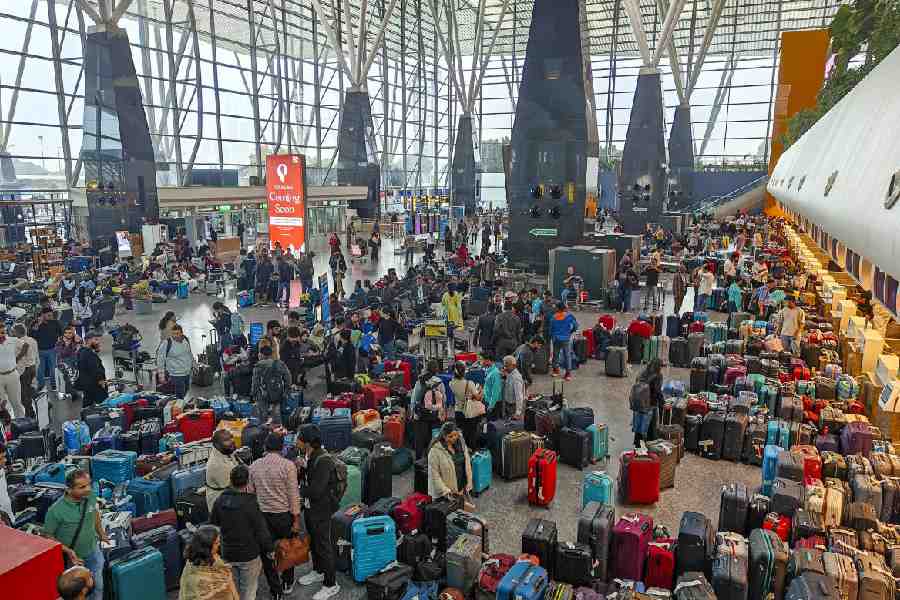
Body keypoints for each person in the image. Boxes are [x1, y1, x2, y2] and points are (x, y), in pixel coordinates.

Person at [249, 433, 302, 598]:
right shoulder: (288, 466)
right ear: (282, 448)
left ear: (265, 447)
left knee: (267, 554)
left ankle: (275, 590)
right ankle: (287, 581)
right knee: (287, 548)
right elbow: (293, 496)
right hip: (284, 516)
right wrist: (296, 520)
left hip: (263, 517)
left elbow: (250, 492)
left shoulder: (254, 466)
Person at [210, 465, 273, 600]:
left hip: (228, 553)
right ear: (247, 482)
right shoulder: (251, 502)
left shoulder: (220, 501)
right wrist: (269, 549)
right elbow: (261, 530)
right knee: (248, 590)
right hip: (249, 554)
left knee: (232, 588)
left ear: (231, 481)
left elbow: (213, 526)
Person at [44, 470, 108, 600]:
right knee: (78, 594)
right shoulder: (55, 511)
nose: (88, 489)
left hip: (93, 551)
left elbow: (94, 513)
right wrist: (68, 551)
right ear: (68, 489)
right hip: (74, 561)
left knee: (98, 586)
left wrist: (101, 533)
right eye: (82, 487)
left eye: (89, 484)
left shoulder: (90, 496)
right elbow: (48, 536)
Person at [295, 425, 341, 600]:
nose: (296, 440)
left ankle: (331, 584)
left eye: (299, 437)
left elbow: (316, 490)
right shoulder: (310, 456)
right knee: (314, 541)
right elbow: (310, 481)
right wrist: (302, 469)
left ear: (307, 442)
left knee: (323, 545)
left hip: (321, 509)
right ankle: (318, 570)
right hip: (311, 508)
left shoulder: (324, 460)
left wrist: (298, 488)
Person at [178, 525, 239, 600]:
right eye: (216, 543)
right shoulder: (196, 577)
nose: (219, 545)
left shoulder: (211, 556)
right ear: (206, 547)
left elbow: (229, 580)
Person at [427, 422, 473, 502]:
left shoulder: (461, 442)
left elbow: (467, 463)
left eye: (455, 435)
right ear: (444, 436)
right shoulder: (435, 451)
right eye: (450, 436)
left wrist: (469, 480)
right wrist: (446, 491)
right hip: (445, 494)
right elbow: (434, 475)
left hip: (460, 488)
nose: (454, 438)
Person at [410, 360, 446, 459]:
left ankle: (419, 460)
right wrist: (442, 413)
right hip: (435, 416)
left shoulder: (420, 381)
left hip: (421, 415)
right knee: (433, 438)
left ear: (426, 369)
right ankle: (431, 459)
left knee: (420, 440)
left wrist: (412, 413)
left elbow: (414, 399)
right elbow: (444, 399)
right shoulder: (439, 382)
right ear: (437, 370)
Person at [251, 345, 291, 425]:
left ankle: (265, 430)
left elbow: (255, 383)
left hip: (263, 395)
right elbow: (288, 377)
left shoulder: (258, 366)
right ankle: (277, 428)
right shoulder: (279, 363)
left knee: (263, 416)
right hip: (277, 393)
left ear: (261, 355)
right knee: (276, 414)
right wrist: (286, 390)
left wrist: (253, 394)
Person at [448, 361, 483, 450]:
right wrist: (480, 390)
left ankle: (464, 452)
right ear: (464, 372)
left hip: (458, 412)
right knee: (472, 434)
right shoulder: (469, 383)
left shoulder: (451, 383)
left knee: (462, 434)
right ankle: (472, 454)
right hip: (469, 412)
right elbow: (478, 398)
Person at [156, 324, 195, 400]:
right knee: (180, 394)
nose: (175, 336)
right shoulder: (166, 343)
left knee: (186, 389)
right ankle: (178, 406)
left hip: (187, 372)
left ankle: (177, 403)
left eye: (177, 333)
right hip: (175, 374)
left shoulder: (185, 340)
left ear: (181, 333)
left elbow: (189, 353)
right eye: (173, 333)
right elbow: (160, 359)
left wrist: (194, 364)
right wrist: (161, 375)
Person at [631, 358, 663, 446]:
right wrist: (662, 402)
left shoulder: (643, 373)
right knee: (651, 426)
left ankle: (637, 443)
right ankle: (649, 444)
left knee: (638, 425)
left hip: (638, 403)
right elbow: (657, 391)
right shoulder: (657, 375)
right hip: (650, 404)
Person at [206, 430, 239, 513]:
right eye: (226, 440)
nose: (232, 441)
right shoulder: (217, 464)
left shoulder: (225, 451)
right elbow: (234, 487)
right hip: (222, 504)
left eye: (231, 437)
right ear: (217, 444)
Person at [31, 307, 63, 391]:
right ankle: (41, 385)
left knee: (53, 368)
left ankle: (54, 385)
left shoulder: (55, 322)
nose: (50, 316)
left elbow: (61, 333)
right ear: (42, 315)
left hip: (52, 349)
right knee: (40, 370)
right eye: (48, 315)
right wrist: (38, 324)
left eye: (51, 314)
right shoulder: (36, 323)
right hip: (39, 350)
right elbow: (31, 335)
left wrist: (60, 342)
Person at [75, 332, 107, 407]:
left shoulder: (82, 351)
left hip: (87, 384)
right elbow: (95, 369)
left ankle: (85, 416)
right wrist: (101, 380)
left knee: (87, 402)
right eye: (95, 340)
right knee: (105, 404)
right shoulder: (88, 354)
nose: (98, 342)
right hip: (95, 385)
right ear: (89, 341)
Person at [13, 324, 38, 419]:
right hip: (32, 367)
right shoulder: (32, 340)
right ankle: (44, 405)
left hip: (25, 370)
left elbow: (22, 353)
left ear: (17, 332)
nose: (12, 333)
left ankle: (30, 414)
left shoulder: (18, 342)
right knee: (30, 390)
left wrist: (16, 359)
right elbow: (36, 356)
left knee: (23, 395)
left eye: (13, 331)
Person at [549, 302, 578, 381]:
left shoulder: (554, 317)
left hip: (556, 339)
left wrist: (552, 337)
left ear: (558, 308)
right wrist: (570, 331)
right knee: (567, 355)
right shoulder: (569, 316)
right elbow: (576, 326)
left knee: (555, 355)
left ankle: (556, 371)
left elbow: (551, 329)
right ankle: (568, 374)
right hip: (566, 339)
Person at [0, 441, 13, 524]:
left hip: (9, 517)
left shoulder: (1, 470)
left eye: (4, 457)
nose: (5, 460)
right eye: (1, 458)